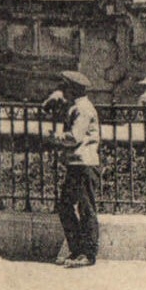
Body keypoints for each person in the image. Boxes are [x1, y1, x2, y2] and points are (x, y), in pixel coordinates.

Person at [45, 70, 101, 268]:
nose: (62, 90)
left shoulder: (83, 108)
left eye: (64, 87)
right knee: (65, 206)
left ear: (72, 89)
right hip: (77, 164)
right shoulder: (75, 106)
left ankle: (88, 254)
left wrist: (55, 138)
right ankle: (77, 250)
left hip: (84, 164)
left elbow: (74, 137)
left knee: (86, 209)